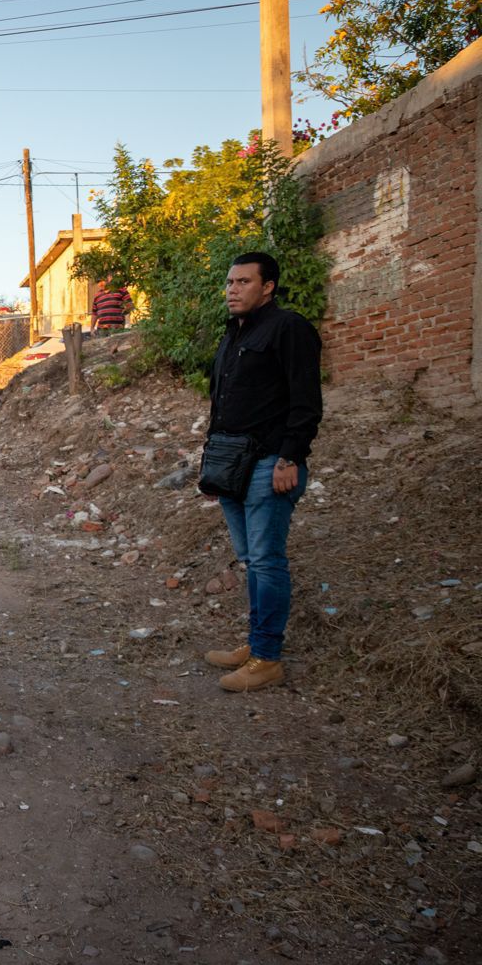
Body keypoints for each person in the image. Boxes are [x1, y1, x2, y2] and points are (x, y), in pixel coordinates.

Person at [202, 252, 322, 693]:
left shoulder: (288, 328)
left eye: (244, 282)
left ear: (268, 286)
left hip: (270, 463)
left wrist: (290, 457)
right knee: (252, 560)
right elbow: (221, 405)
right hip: (231, 465)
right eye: (230, 282)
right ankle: (256, 645)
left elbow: (306, 400)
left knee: (267, 561)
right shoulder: (233, 334)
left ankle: (268, 658)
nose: (232, 290)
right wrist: (212, 468)